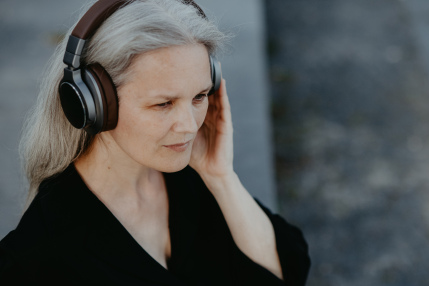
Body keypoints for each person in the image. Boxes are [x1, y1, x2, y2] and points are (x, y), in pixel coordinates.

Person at [0, 0, 310, 285]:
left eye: (199, 96)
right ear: (94, 105)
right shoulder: (35, 256)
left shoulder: (191, 181)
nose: (190, 126)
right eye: (163, 104)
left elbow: (289, 270)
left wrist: (222, 178)